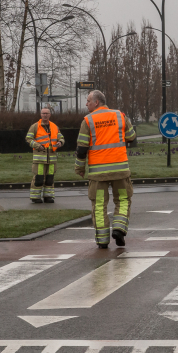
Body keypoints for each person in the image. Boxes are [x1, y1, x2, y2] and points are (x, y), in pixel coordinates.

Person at [75, 90, 136, 249]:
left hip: (98, 173)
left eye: (88, 100)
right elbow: (131, 136)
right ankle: (119, 229)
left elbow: (81, 149)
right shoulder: (120, 116)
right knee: (123, 200)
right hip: (120, 171)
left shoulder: (87, 121)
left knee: (99, 205)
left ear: (97, 102)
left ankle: (102, 241)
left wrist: (80, 167)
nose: (86, 104)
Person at [25, 107, 64, 203]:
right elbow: (28, 139)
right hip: (39, 159)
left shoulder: (54, 127)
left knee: (50, 178)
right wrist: (37, 146)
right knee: (39, 178)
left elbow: (61, 137)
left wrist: (60, 142)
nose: (45, 115)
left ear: (50, 115)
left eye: (46, 113)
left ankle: (48, 197)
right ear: (40, 115)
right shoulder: (35, 126)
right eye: (43, 113)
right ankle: (35, 197)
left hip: (51, 159)